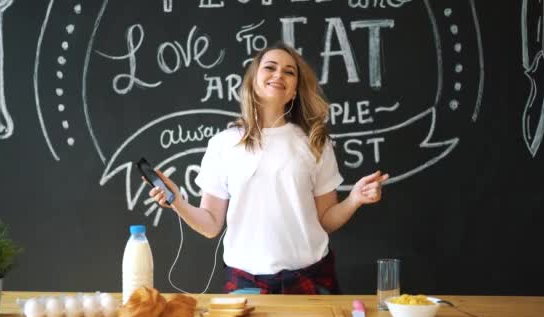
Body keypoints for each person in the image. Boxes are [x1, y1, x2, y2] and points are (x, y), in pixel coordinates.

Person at [147, 42, 389, 295]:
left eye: (289, 72)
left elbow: (325, 221)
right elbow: (210, 225)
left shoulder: (315, 142)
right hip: (246, 283)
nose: (278, 75)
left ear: (295, 90)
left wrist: (354, 199)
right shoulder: (223, 144)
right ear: (253, 81)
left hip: (311, 279)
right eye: (270, 68)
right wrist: (176, 200)